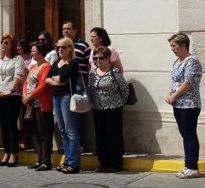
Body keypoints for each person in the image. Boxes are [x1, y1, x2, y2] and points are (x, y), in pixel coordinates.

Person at [166, 33, 203, 179]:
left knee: (190, 135)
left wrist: (174, 96)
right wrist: (170, 94)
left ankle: (193, 167)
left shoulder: (192, 61)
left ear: (182, 45)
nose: (172, 49)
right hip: (178, 105)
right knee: (185, 135)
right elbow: (174, 81)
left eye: (173, 46)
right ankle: (187, 166)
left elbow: (188, 83)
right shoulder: (176, 62)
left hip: (189, 104)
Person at [88, 46, 128, 173]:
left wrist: (119, 103)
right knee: (100, 136)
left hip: (113, 109)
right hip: (98, 109)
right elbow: (91, 90)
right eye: (95, 58)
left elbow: (125, 89)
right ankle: (103, 163)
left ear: (108, 59)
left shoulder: (114, 72)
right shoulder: (92, 73)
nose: (97, 60)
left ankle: (115, 164)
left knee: (113, 136)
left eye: (101, 58)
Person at [46, 37, 82, 174]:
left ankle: (74, 163)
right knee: (62, 130)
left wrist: (56, 79)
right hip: (56, 97)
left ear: (70, 49)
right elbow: (47, 79)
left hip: (67, 98)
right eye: (58, 47)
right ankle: (67, 160)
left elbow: (63, 78)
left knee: (70, 130)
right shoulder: (56, 62)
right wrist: (57, 81)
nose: (60, 50)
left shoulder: (73, 63)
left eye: (63, 47)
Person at [0, 33, 25, 167]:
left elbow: (19, 75)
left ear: (12, 45)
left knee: (12, 124)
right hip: (0, 96)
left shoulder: (18, 59)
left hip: (12, 96)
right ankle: (6, 151)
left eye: (6, 43)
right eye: (2, 42)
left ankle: (13, 152)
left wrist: (10, 90)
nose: (3, 45)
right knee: (3, 125)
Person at [22, 42, 52, 171]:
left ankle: (46, 162)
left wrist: (30, 96)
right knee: (36, 133)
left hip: (42, 105)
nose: (31, 53)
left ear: (40, 52)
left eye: (33, 51)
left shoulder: (46, 66)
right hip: (31, 105)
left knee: (44, 134)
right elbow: (26, 82)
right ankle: (39, 160)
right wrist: (24, 94)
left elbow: (44, 86)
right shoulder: (33, 66)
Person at [16, 38, 34, 150]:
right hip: (16, 90)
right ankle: (19, 137)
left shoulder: (30, 58)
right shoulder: (16, 58)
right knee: (19, 117)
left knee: (27, 116)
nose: (18, 48)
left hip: (27, 90)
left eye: (21, 46)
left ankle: (25, 139)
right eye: (17, 45)